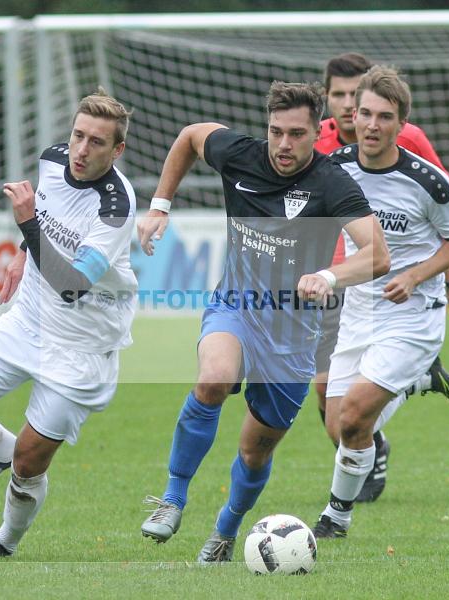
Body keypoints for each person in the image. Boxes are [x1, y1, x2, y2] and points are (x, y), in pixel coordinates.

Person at [137, 81, 390, 563]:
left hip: (292, 339)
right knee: (213, 378)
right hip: (235, 306)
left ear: (319, 132)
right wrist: (160, 206)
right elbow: (192, 135)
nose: (283, 145)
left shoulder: (332, 183)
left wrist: (329, 276)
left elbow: (379, 255)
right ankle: (172, 497)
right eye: (276, 132)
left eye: (297, 134)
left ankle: (225, 531)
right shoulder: (241, 155)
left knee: (255, 452)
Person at [0, 89, 137, 558]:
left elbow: (72, 285)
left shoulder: (116, 207)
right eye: (78, 136)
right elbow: (47, 216)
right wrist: (24, 255)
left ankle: (4, 541)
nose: (82, 150)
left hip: (82, 346)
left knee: (30, 460)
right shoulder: (52, 160)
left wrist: (26, 229)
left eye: (97, 143)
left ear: (117, 150)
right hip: (28, 320)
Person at [312, 66, 449, 539]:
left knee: (358, 412)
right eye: (365, 113)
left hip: (412, 313)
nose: (372, 125)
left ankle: (336, 517)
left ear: (402, 124)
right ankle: (415, 383)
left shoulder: (430, 183)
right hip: (356, 309)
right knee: (339, 426)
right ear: (352, 115)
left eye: (385, 117)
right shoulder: (334, 169)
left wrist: (420, 276)